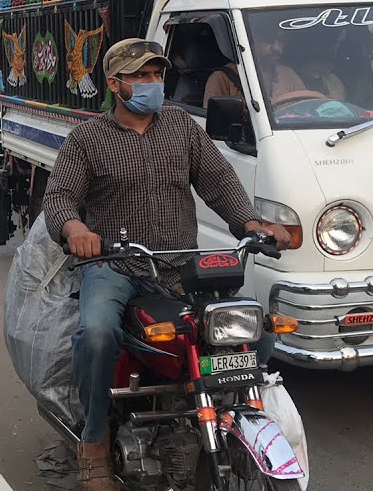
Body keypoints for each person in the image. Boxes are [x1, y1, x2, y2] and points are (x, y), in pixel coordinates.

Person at [42, 38, 292, 491]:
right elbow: (59, 198)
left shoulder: (180, 126)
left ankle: (224, 412)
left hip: (179, 267)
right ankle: (94, 439)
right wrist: (74, 229)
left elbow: (218, 180)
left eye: (156, 75)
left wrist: (250, 223)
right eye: (140, 76)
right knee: (96, 335)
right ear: (115, 83)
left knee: (258, 329)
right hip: (115, 267)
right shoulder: (88, 139)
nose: (151, 83)